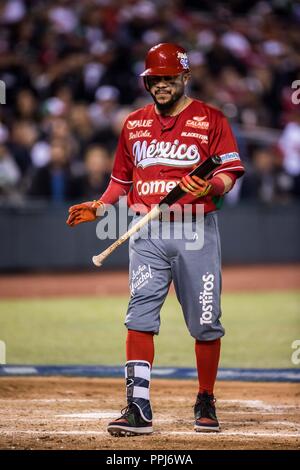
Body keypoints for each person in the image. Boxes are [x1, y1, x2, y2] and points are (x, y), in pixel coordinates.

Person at [67, 43, 245, 435]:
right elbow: (121, 179)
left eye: (168, 78)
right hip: (145, 230)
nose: (161, 85)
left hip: (196, 229)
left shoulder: (212, 119)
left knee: (204, 321)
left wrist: (208, 186)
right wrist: (100, 206)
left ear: (184, 77)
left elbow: (230, 173)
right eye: (154, 79)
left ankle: (205, 397)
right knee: (139, 316)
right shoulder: (133, 123)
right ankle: (138, 407)